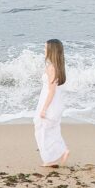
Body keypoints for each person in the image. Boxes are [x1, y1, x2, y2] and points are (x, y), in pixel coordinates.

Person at [33, 39, 70, 167]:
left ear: (51, 51)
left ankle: (52, 157)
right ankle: (57, 154)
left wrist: (44, 109)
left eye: (45, 48)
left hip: (50, 102)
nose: (44, 50)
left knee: (41, 127)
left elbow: (51, 91)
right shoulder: (57, 66)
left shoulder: (51, 67)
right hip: (56, 101)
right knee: (50, 128)